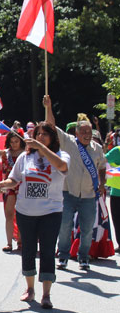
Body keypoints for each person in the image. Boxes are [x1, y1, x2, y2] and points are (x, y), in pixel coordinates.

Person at [0, 121, 69, 309]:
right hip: (26, 211)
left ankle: (46, 293)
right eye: (38, 134)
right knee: (27, 249)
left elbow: (62, 167)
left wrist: (43, 149)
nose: (40, 137)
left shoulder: (61, 155)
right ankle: (30, 289)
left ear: (53, 138)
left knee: (47, 251)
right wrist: (5, 183)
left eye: (45, 134)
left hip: (51, 212)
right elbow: (15, 178)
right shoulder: (24, 157)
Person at [43, 95, 107, 271]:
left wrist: (102, 183)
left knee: (87, 229)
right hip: (68, 192)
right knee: (65, 226)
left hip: (88, 194)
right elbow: (51, 126)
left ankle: (83, 257)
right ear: (77, 133)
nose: (87, 135)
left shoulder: (97, 149)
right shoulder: (69, 143)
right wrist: (48, 107)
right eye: (83, 132)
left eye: (89, 132)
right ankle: (63, 255)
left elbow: (102, 167)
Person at [0, 132, 25, 252]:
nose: (14, 144)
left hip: (22, 186)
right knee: (9, 215)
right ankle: (9, 242)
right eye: (12, 142)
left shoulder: (26, 153)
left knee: (22, 214)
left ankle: (21, 241)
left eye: (16, 141)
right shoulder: (5, 153)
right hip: (9, 187)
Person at [106, 146, 120, 253]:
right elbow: (101, 161)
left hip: (117, 193)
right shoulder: (117, 151)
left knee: (117, 220)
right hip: (116, 193)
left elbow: (101, 161)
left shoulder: (117, 150)